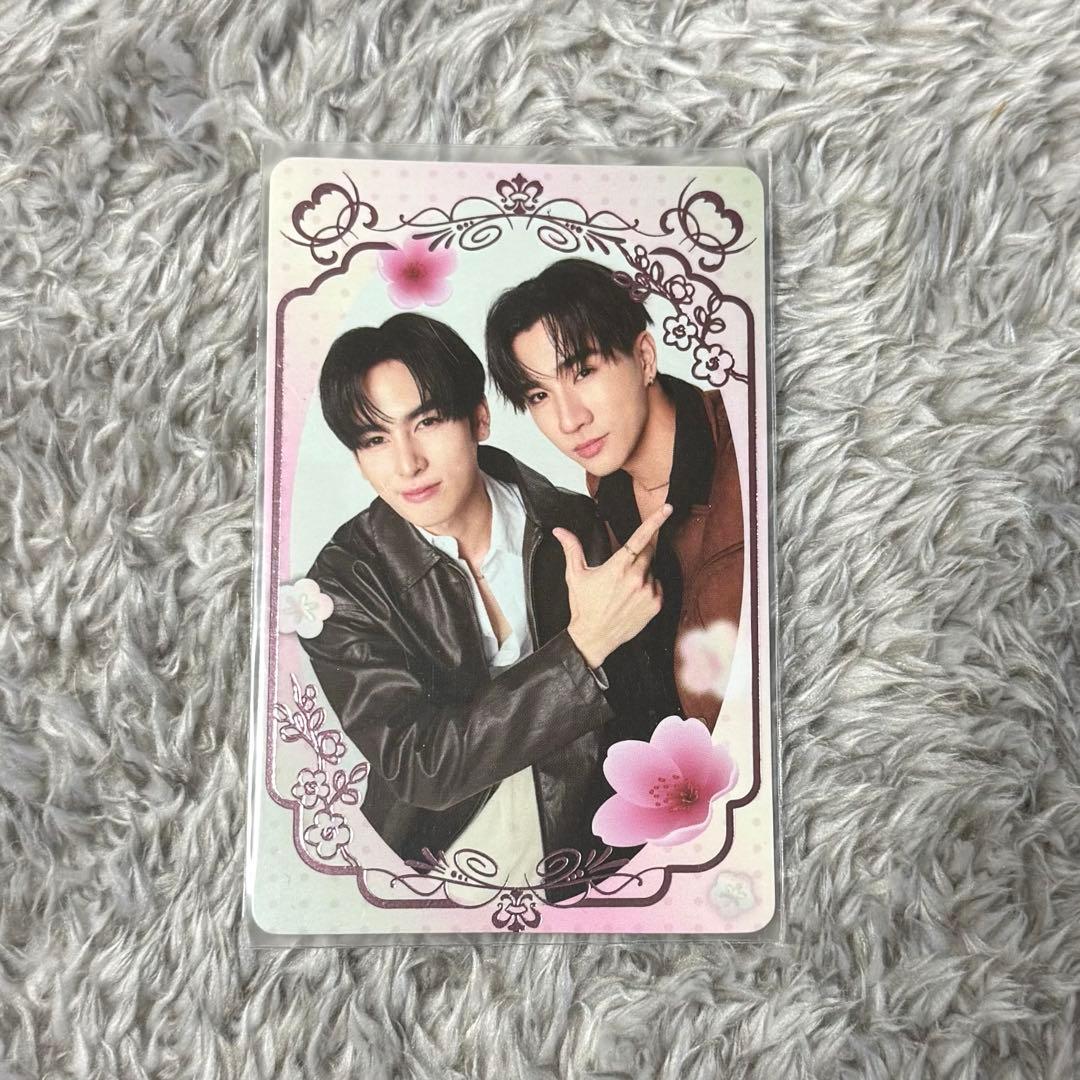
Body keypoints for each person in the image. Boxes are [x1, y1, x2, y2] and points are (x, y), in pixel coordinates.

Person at [298, 312, 667, 891]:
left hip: (588, 847)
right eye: (375, 439)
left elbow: (645, 712)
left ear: (479, 419)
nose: (407, 463)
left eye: (427, 422)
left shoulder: (574, 523)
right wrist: (583, 648)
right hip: (434, 861)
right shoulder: (342, 583)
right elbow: (419, 765)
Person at [485, 257, 744, 728]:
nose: (569, 420)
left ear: (644, 358)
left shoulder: (748, 448)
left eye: (583, 372)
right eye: (539, 396)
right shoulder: (603, 496)